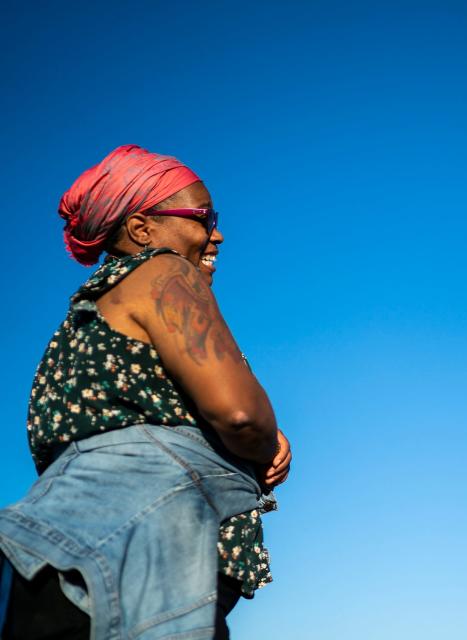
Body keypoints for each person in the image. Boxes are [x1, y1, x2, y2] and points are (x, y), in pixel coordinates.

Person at [0, 145, 292, 639]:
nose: (215, 232)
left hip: (60, 567)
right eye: (203, 216)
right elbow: (241, 414)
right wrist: (267, 447)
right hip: (131, 574)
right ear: (142, 230)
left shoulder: (81, 327)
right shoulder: (163, 269)